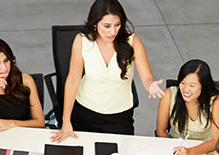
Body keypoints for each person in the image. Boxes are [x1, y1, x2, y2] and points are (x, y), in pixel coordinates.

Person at [51, 0, 164, 141]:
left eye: (117, 25)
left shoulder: (132, 42)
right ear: (95, 24)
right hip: (85, 114)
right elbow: (73, 80)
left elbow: (147, 78)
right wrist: (66, 120)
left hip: (120, 118)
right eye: (107, 26)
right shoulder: (82, 41)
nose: (113, 31)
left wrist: (151, 85)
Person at [155, 59, 219, 155]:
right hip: (175, 149)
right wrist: (176, 151)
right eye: (183, 83)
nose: (186, 89)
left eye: (192, 85)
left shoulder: (215, 100)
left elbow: (216, 140)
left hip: (205, 151)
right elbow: (161, 131)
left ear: (203, 86)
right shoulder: (168, 95)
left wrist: (190, 152)